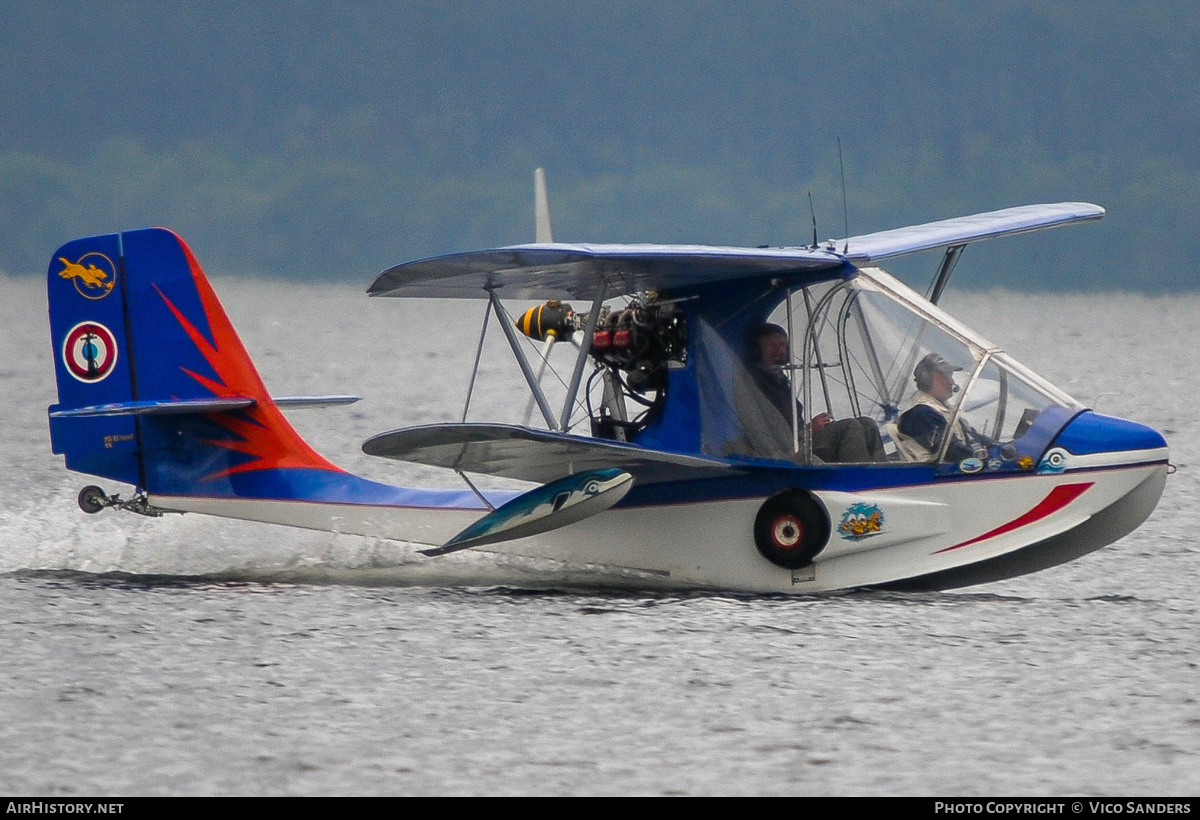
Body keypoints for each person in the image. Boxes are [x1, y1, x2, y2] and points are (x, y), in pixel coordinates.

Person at [736, 323, 887, 463]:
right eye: (771, 345)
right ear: (758, 350)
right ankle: (859, 480)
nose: (778, 350)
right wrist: (809, 432)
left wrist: (810, 427)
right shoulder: (752, 385)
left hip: (801, 439)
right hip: (789, 452)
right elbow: (769, 437)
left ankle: (884, 477)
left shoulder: (780, 381)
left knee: (867, 424)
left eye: (782, 345)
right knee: (849, 427)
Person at [897, 352, 991, 461]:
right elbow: (950, 450)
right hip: (940, 474)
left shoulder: (943, 408)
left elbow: (973, 437)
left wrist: (1002, 448)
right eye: (944, 376)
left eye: (950, 375)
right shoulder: (920, 413)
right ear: (926, 379)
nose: (951, 381)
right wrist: (984, 459)